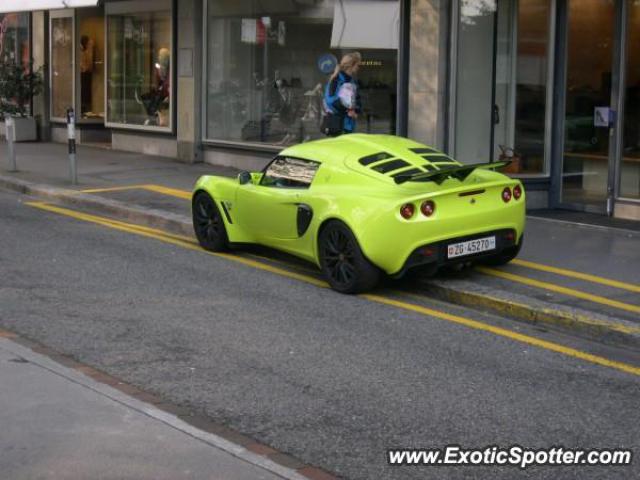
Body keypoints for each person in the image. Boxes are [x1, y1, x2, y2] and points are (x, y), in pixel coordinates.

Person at [322, 52, 362, 136]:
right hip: (337, 125)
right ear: (351, 65)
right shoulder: (336, 79)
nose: (359, 68)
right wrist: (347, 109)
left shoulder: (352, 81)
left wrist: (356, 111)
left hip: (348, 125)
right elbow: (330, 100)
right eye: (357, 65)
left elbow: (357, 100)